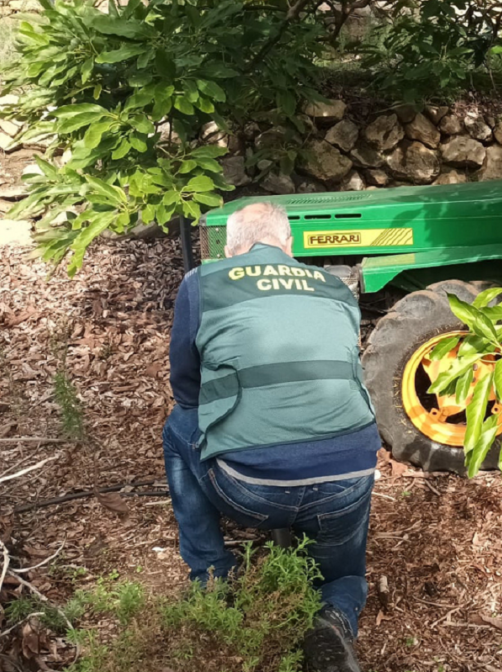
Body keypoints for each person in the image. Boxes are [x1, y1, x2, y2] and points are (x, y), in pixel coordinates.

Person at [162, 202, 379, 672]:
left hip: (249, 487)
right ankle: (335, 613)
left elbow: (185, 385)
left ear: (231, 247)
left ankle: (213, 577)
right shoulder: (336, 287)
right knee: (341, 567)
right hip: (348, 475)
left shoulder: (203, 282)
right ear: (289, 244)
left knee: (179, 426)